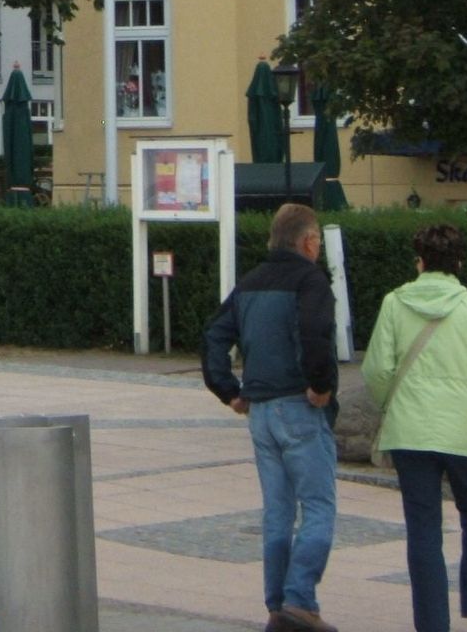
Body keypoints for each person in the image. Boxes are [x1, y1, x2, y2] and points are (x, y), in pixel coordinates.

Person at [363, 222, 467, 632]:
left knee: (423, 526)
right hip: (465, 429)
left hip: (410, 430)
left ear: (420, 262)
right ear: (459, 264)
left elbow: (376, 369)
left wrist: (391, 404)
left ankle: (432, 623)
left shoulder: (394, 303)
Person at [202, 203, 340, 632]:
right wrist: (321, 384)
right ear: (308, 242)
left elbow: (213, 336)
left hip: (260, 411)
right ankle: (299, 599)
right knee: (318, 506)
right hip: (299, 405)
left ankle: (278, 605)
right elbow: (316, 334)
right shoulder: (310, 280)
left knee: (277, 511)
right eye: (316, 239)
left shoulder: (249, 283)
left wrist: (229, 391)